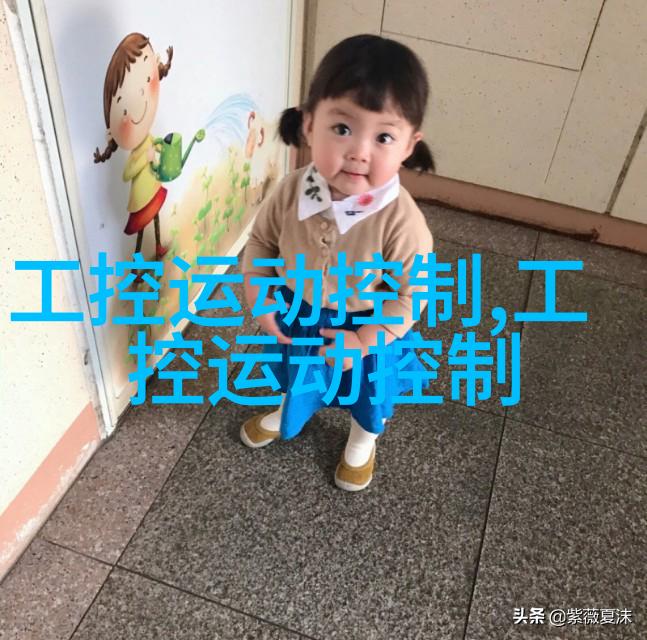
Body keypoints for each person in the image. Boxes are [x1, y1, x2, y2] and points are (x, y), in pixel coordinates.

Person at [241, 34, 435, 491]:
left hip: (368, 327)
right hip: (299, 312)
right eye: (342, 128)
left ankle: (363, 440)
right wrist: (260, 294)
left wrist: (364, 340)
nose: (359, 151)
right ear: (309, 124)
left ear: (409, 145)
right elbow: (262, 242)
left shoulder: (401, 221)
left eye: (383, 136)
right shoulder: (291, 189)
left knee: (368, 394)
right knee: (298, 374)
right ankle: (291, 410)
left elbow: (412, 295)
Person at [93, 33, 173, 260]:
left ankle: (158, 247)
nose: (140, 104)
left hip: (153, 188)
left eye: (147, 80)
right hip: (141, 198)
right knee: (140, 233)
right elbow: (127, 173)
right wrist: (145, 159)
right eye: (124, 109)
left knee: (155, 219)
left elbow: (154, 144)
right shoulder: (136, 153)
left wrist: (162, 146)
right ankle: (137, 265)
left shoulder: (147, 139)